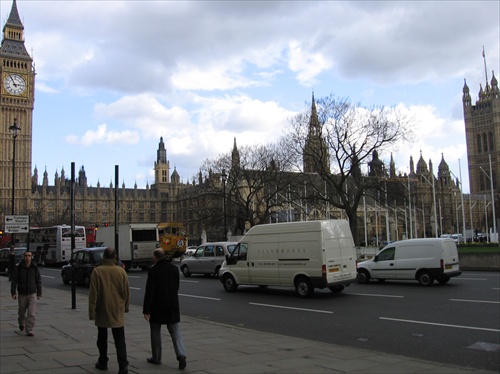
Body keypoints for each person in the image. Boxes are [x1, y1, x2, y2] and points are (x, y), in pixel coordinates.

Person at [143, 248, 187, 370]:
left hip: (157, 305)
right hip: (172, 304)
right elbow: (176, 286)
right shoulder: (174, 269)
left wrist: (146, 310)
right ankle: (181, 354)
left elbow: (149, 291)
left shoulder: (153, 271)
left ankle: (156, 357)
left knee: (155, 331)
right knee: (175, 330)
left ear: (156, 257)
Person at [88, 247, 130, 374]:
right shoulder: (121, 272)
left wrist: (92, 312)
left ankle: (103, 361)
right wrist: (126, 307)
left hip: (102, 308)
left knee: (102, 336)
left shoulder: (97, 272)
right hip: (117, 309)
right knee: (120, 338)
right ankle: (123, 365)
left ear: (104, 257)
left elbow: (93, 294)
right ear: (115, 257)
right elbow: (126, 292)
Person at [11, 250, 42, 336]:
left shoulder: (34, 268)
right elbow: (14, 281)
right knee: (22, 311)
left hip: (32, 292)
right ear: (24, 257)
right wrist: (13, 292)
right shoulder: (19, 267)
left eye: (29, 256)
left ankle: (29, 329)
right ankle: (21, 322)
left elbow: (38, 280)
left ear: (31, 257)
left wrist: (39, 292)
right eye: (26, 256)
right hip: (22, 293)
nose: (27, 257)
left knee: (31, 312)